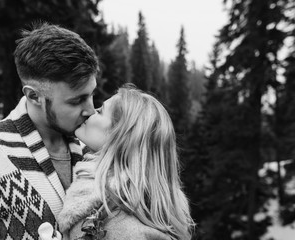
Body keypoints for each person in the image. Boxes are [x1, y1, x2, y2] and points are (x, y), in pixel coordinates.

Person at [0, 22, 98, 239]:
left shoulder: (96, 155)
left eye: (91, 94)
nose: (91, 110)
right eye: (77, 101)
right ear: (33, 96)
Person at [52, 85, 194, 240]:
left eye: (100, 111)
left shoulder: (125, 229)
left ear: (121, 137)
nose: (90, 112)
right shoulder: (115, 202)